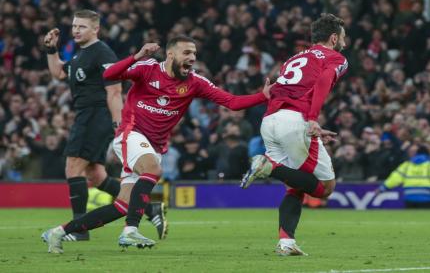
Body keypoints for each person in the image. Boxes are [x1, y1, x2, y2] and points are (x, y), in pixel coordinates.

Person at [42, 35, 270, 254]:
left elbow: (232, 102)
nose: (192, 58)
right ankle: (131, 231)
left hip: (154, 146)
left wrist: (263, 95)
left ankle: (59, 232)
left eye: (194, 54)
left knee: (122, 206)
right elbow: (109, 74)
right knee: (153, 170)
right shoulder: (148, 67)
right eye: (187, 52)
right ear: (170, 54)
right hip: (130, 134)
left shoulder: (195, 82)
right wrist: (137, 56)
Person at [41, 10, 167, 243]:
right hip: (86, 115)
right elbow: (58, 73)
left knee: (73, 168)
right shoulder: (81, 54)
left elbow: (115, 91)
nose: (76, 30)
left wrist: (120, 125)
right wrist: (51, 50)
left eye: (82, 27)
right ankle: (150, 210)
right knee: (96, 175)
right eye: (75, 26)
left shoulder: (102, 52)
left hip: (96, 115)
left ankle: (79, 229)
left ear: (95, 29)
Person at [240, 13, 348, 256]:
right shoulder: (336, 57)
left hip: (270, 120)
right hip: (295, 121)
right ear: (333, 38)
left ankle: (286, 242)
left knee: (295, 184)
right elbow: (323, 80)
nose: (345, 42)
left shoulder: (294, 58)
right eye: (343, 37)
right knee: (326, 187)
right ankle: (268, 167)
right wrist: (312, 119)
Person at [376, 144, 430, 208]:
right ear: (428, 154)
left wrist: (382, 188)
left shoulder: (407, 165)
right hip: (426, 200)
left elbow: (394, 179)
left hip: (409, 200)